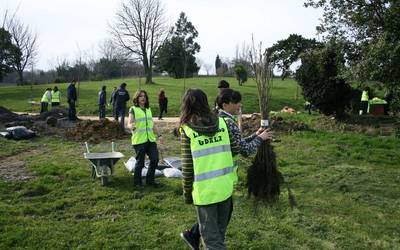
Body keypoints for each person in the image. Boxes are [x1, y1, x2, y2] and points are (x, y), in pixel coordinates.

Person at [180, 88, 272, 249]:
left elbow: (187, 169)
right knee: (218, 237)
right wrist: (258, 138)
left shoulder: (187, 130)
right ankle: (192, 235)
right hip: (225, 188)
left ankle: (192, 235)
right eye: (236, 101)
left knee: (213, 241)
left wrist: (188, 194)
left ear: (186, 106)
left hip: (205, 193)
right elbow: (237, 148)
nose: (239, 104)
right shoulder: (222, 123)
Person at [127, 90, 161, 188]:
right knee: (140, 163)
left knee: (155, 159)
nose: (143, 98)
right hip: (139, 141)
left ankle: (150, 180)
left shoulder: (148, 109)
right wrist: (131, 126)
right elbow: (129, 122)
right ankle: (137, 183)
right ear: (137, 98)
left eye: (144, 96)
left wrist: (159, 135)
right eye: (140, 96)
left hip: (150, 140)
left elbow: (152, 124)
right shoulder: (133, 109)